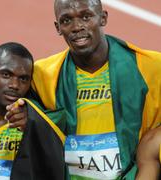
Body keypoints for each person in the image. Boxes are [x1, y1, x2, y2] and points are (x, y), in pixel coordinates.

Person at [10, 0, 161, 179]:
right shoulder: (43, 75)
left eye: (86, 16)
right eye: (66, 21)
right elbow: (4, 105)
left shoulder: (150, 67)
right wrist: (29, 117)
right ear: (58, 27)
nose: (77, 27)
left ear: (103, 18)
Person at [0, 42, 33, 180]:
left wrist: (33, 129)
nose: (15, 85)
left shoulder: (31, 124)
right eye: (6, 75)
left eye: (23, 79)